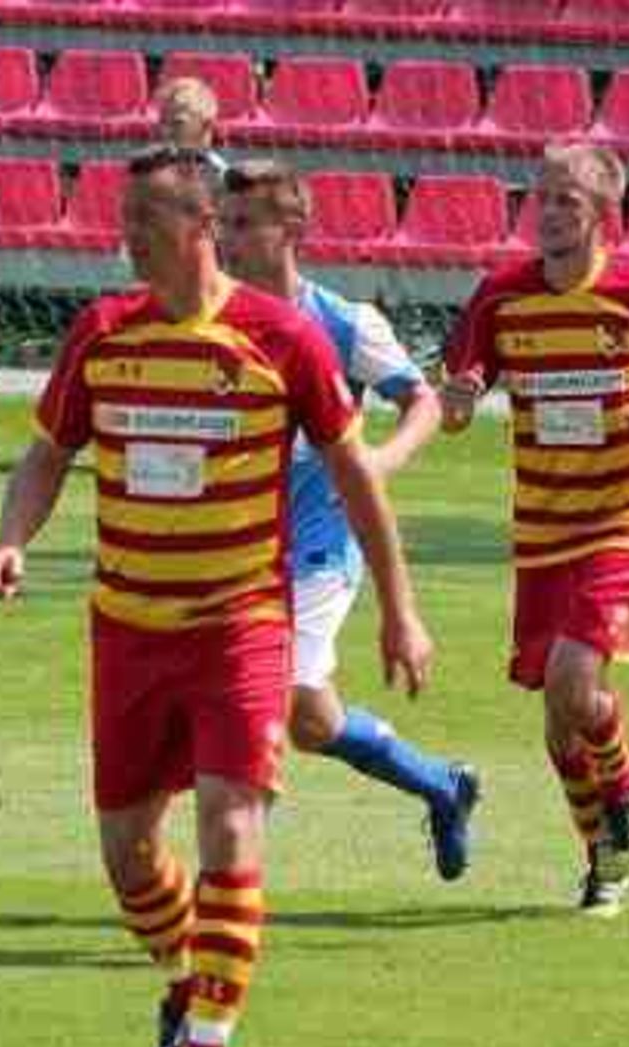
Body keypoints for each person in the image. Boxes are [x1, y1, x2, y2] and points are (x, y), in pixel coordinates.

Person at [0, 145, 434, 1047]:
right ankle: (187, 979)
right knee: (128, 858)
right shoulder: (102, 333)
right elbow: (47, 454)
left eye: (141, 218)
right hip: (128, 630)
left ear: (193, 228)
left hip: (240, 624)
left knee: (230, 824)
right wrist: (12, 537)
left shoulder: (281, 338)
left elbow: (356, 478)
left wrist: (399, 605)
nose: (121, 235)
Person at [439, 143, 629, 917]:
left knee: (572, 682)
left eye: (567, 199)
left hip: (620, 515)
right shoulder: (501, 296)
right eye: (543, 196)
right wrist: (458, 398)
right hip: (540, 528)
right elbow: (458, 392)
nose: (550, 210)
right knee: (557, 720)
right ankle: (602, 857)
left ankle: (623, 786)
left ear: (602, 215)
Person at [218, 158, 480, 880]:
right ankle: (442, 785)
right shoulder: (210, 321)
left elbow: (420, 400)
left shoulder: (343, 323)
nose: (226, 240)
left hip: (319, 547)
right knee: (311, 720)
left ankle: (227, 890)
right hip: (232, 550)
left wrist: (379, 465)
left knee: (266, 703)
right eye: (222, 224)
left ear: (291, 230)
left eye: (243, 225)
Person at [153, 76, 229, 176]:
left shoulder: (218, 173)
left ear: (206, 125)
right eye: (163, 122)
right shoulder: (154, 168)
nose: (166, 131)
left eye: (178, 123)